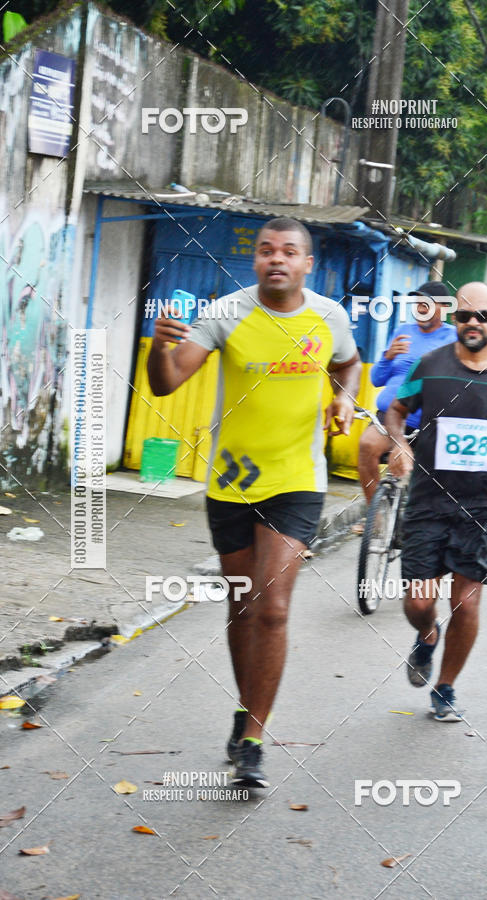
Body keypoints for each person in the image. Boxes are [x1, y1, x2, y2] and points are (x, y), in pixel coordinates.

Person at [147, 217, 361, 786]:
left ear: (306, 263)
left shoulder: (329, 317)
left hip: (298, 480)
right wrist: (157, 349)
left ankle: (252, 740)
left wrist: (343, 400)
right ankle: (247, 708)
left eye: (289, 252)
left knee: (272, 608)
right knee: (241, 607)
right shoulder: (226, 314)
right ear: (256, 260)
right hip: (231, 484)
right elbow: (167, 383)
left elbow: (347, 362)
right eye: (266, 250)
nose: (277, 259)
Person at [385, 282, 487, 721]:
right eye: (464, 316)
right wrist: (399, 443)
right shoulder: (430, 364)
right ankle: (427, 637)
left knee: (467, 602)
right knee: (418, 602)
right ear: (455, 318)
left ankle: (446, 687)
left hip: (483, 506)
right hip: (428, 500)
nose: (473, 324)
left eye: (483, 316)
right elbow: (396, 409)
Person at [358, 281, 456, 505]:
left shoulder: (453, 338)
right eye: (418, 303)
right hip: (391, 415)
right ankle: (377, 521)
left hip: (431, 420)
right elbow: (376, 379)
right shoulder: (402, 331)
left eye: (427, 303)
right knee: (366, 446)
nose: (420, 307)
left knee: (433, 480)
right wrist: (388, 356)